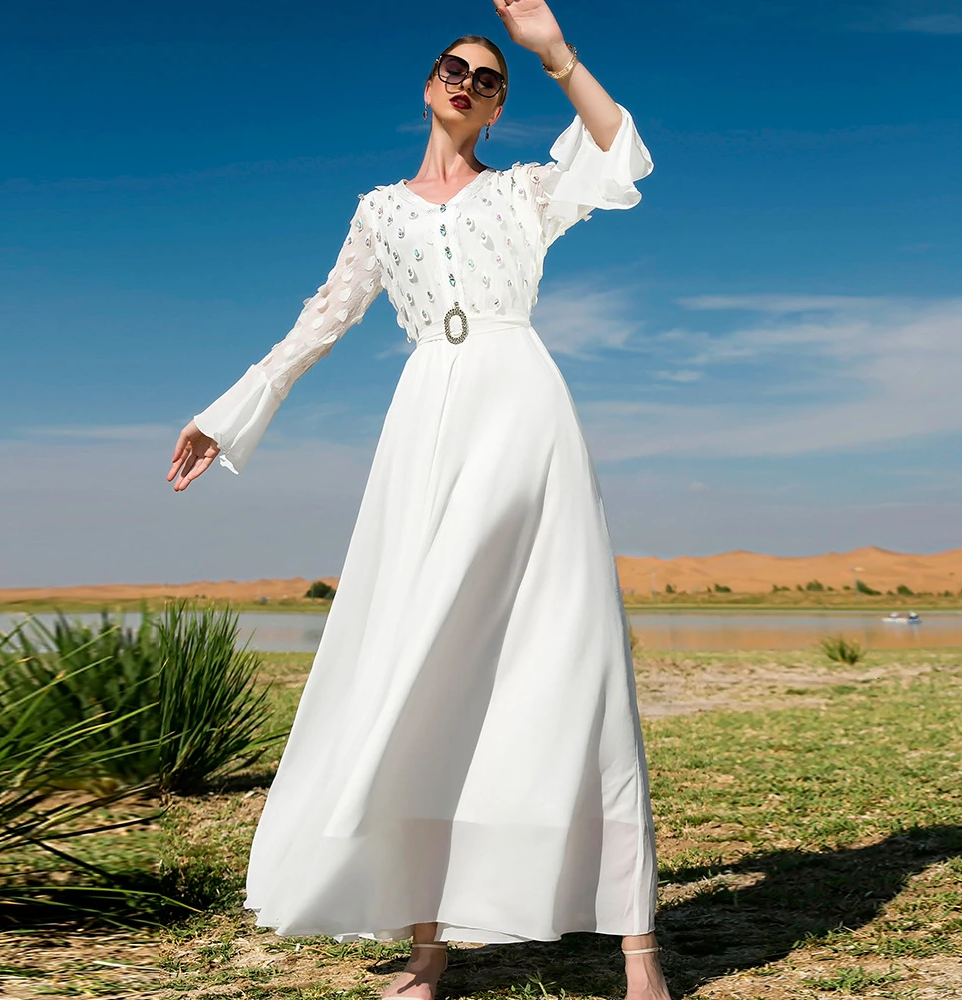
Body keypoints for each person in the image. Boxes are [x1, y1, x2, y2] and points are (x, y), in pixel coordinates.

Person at [167, 2, 669, 998]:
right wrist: (229, 414)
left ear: (498, 106)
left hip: (522, 413)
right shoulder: (379, 212)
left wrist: (552, 52)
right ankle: (429, 945)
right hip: (424, 430)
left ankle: (639, 949)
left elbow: (617, 149)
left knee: (572, 653)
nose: (467, 83)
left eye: (487, 79)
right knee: (417, 660)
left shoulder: (524, 191)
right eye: (455, 68)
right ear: (429, 83)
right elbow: (322, 318)